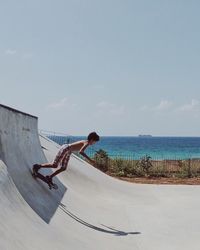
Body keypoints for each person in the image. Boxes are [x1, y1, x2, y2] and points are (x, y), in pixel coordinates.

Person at [32, 132, 100, 184]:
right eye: (95, 142)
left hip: (69, 151)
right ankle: (37, 166)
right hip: (66, 148)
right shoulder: (86, 143)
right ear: (92, 139)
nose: (94, 143)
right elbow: (81, 152)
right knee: (55, 165)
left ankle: (49, 177)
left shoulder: (85, 141)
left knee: (63, 168)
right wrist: (90, 160)